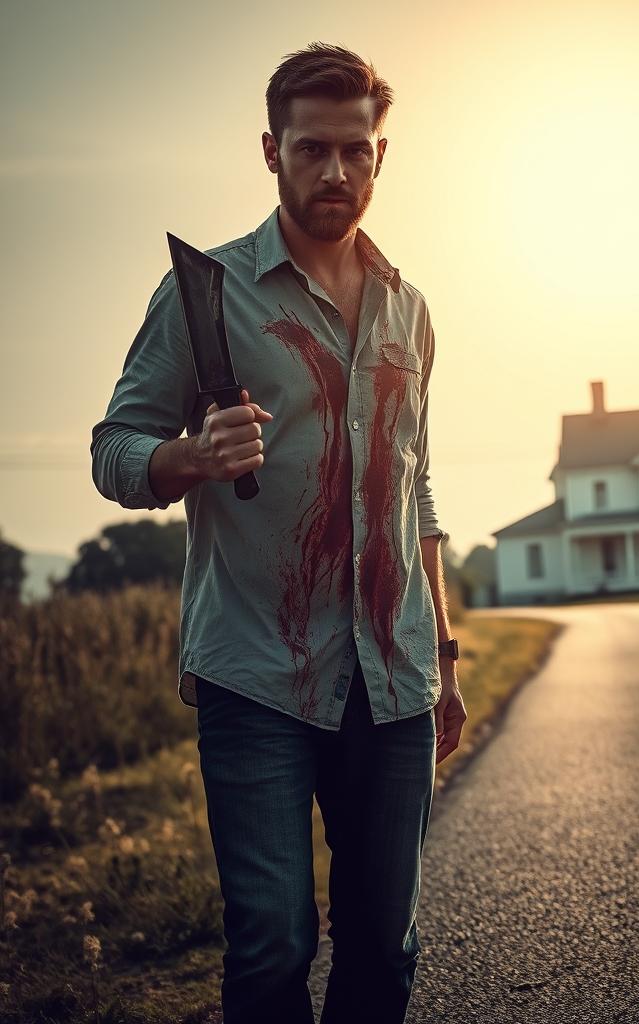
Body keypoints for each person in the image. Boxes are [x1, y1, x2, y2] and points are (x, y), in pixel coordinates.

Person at [90, 41, 467, 1024]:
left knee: (385, 953)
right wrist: (187, 458)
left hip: (393, 675)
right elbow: (114, 446)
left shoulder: (409, 310)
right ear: (271, 151)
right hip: (256, 672)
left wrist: (448, 659)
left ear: (381, 154)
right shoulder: (203, 294)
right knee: (273, 948)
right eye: (311, 150)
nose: (335, 172)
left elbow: (414, 492)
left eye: (356, 151)